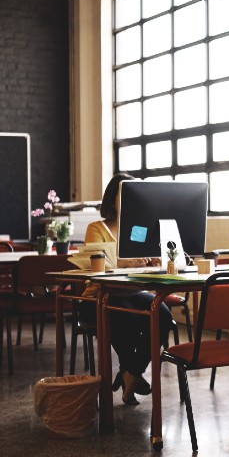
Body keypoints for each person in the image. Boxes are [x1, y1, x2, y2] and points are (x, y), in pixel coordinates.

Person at [80, 173, 176, 405]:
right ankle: (131, 374)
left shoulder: (137, 229)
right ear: (112, 198)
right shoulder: (97, 228)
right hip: (98, 298)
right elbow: (96, 261)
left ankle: (130, 372)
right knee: (126, 315)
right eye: (125, 195)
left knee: (162, 314)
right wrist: (123, 262)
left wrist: (151, 260)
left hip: (132, 292)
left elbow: (141, 257)